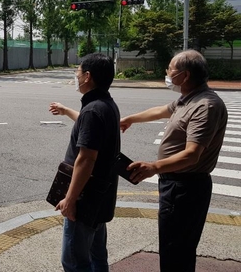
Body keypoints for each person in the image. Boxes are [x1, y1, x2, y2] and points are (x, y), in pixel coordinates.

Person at [120, 50, 227, 272]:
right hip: (175, 185)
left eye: (170, 69)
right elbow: (160, 111)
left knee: (177, 249)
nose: (167, 73)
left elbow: (192, 154)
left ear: (185, 75)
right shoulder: (187, 99)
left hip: (186, 188)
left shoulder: (205, 106)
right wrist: (129, 119)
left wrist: (154, 167)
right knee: (172, 247)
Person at [49, 53, 120, 272]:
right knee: (97, 255)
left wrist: (70, 200)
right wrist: (66, 110)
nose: (76, 76)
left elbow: (86, 159)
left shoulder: (92, 110)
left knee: (74, 262)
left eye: (78, 72)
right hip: (100, 196)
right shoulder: (106, 105)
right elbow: (88, 125)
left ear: (87, 76)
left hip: (85, 199)